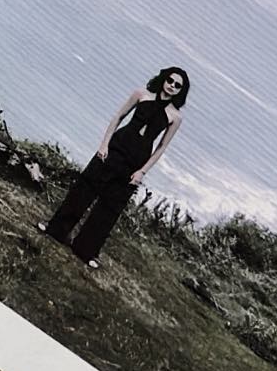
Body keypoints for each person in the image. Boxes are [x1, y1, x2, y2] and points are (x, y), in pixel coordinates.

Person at [36, 67, 190, 269]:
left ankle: (85, 250)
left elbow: (161, 147)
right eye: (170, 80)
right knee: (84, 189)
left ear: (180, 91)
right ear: (164, 79)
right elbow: (118, 116)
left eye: (177, 85)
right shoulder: (141, 94)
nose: (172, 86)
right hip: (116, 147)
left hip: (137, 160)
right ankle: (55, 229)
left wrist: (142, 171)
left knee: (111, 206)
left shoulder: (175, 117)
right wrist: (104, 145)